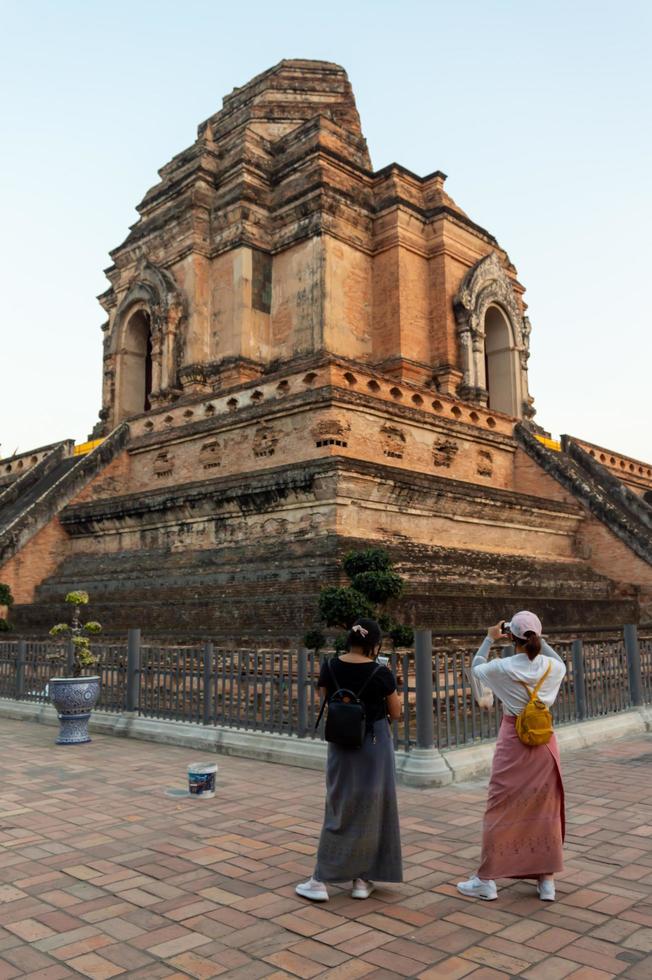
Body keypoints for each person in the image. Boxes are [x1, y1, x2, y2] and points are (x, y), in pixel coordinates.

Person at [458, 611, 567, 902]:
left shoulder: (502, 667)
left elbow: (476, 667)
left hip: (513, 740)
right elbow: (559, 661)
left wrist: (489, 638)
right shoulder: (553, 668)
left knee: (499, 808)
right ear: (537, 637)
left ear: (513, 637)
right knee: (544, 810)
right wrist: (538, 640)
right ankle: (546, 881)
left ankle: (486, 879)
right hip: (545, 744)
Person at [296, 617, 403, 902]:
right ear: (375, 645)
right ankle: (361, 879)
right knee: (373, 807)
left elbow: (326, 699)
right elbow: (395, 712)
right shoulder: (382, 672)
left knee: (340, 806)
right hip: (374, 744)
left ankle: (321, 880)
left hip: (342, 743)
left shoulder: (330, 666)